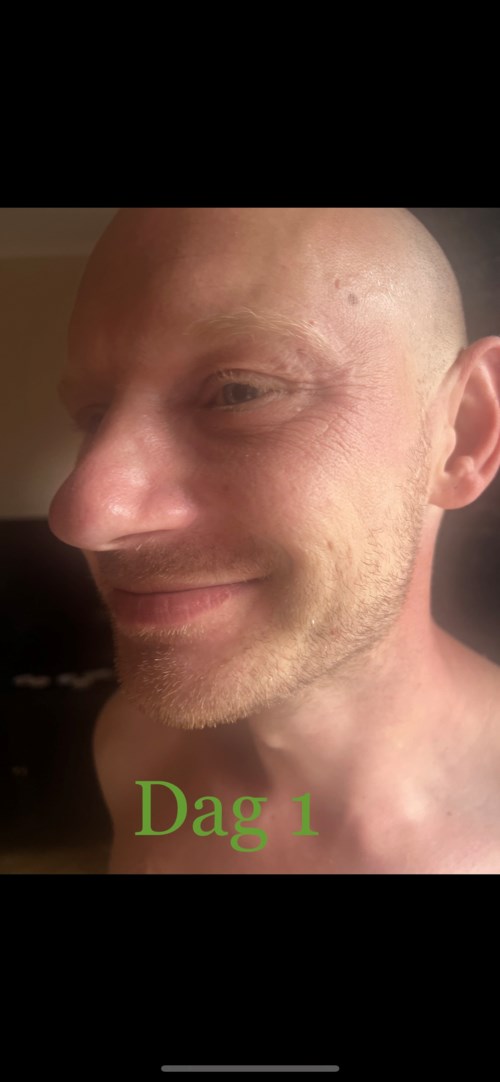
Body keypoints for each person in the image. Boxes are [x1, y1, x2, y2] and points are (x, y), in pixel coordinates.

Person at [48, 208, 500, 874]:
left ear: (462, 432)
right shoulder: (135, 750)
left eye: (239, 391)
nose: (83, 515)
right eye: (93, 416)